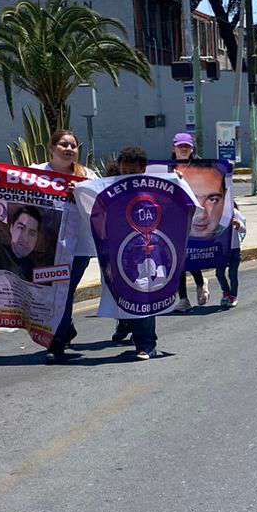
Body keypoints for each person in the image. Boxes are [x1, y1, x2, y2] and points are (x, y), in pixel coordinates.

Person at [33, 129, 92, 362]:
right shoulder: (35, 173)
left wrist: (80, 194)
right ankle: (65, 330)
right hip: (46, 247)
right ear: (51, 148)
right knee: (52, 293)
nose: (69, 149)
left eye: (73, 146)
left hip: (78, 248)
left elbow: (100, 203)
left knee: (64, 292)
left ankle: (56, 344)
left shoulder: (87, 175)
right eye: (63, 144)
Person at [107, 145, 162, 359]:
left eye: (134, 172)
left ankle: (146, 344)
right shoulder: (108, 190)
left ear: (142, 170)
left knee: (144, 297)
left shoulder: (153, 190)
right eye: (125, 171)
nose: (128, 175)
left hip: (145, 253)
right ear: (119, 168)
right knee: (126, 298)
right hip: (119, 254)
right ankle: (126, 326)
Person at [169, 132, 212, 308]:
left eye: (187, 146)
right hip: (173, 218)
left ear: (192, 149)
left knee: (190, 255)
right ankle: (183, 299)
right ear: (174, 148)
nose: (184, 149)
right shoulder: (167, 169)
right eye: (180, 146)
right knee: (178, 258)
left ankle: (201, 283)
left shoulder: (201, 167)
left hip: (195, 216)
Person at [0, 204, 45, 279]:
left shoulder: (35, 272)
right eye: (21, 228)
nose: (25, 238)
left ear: (37, 238)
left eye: (32, 233)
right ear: (11, 228)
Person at [215, 205, 245, 308]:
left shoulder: (234, 213)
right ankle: (226, 292)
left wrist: (238, 225)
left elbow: (243, 229)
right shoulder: (216, 212)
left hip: (234, 249)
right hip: (221, 249)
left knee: (232, 274)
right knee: (219, 273)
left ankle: (233, 296)